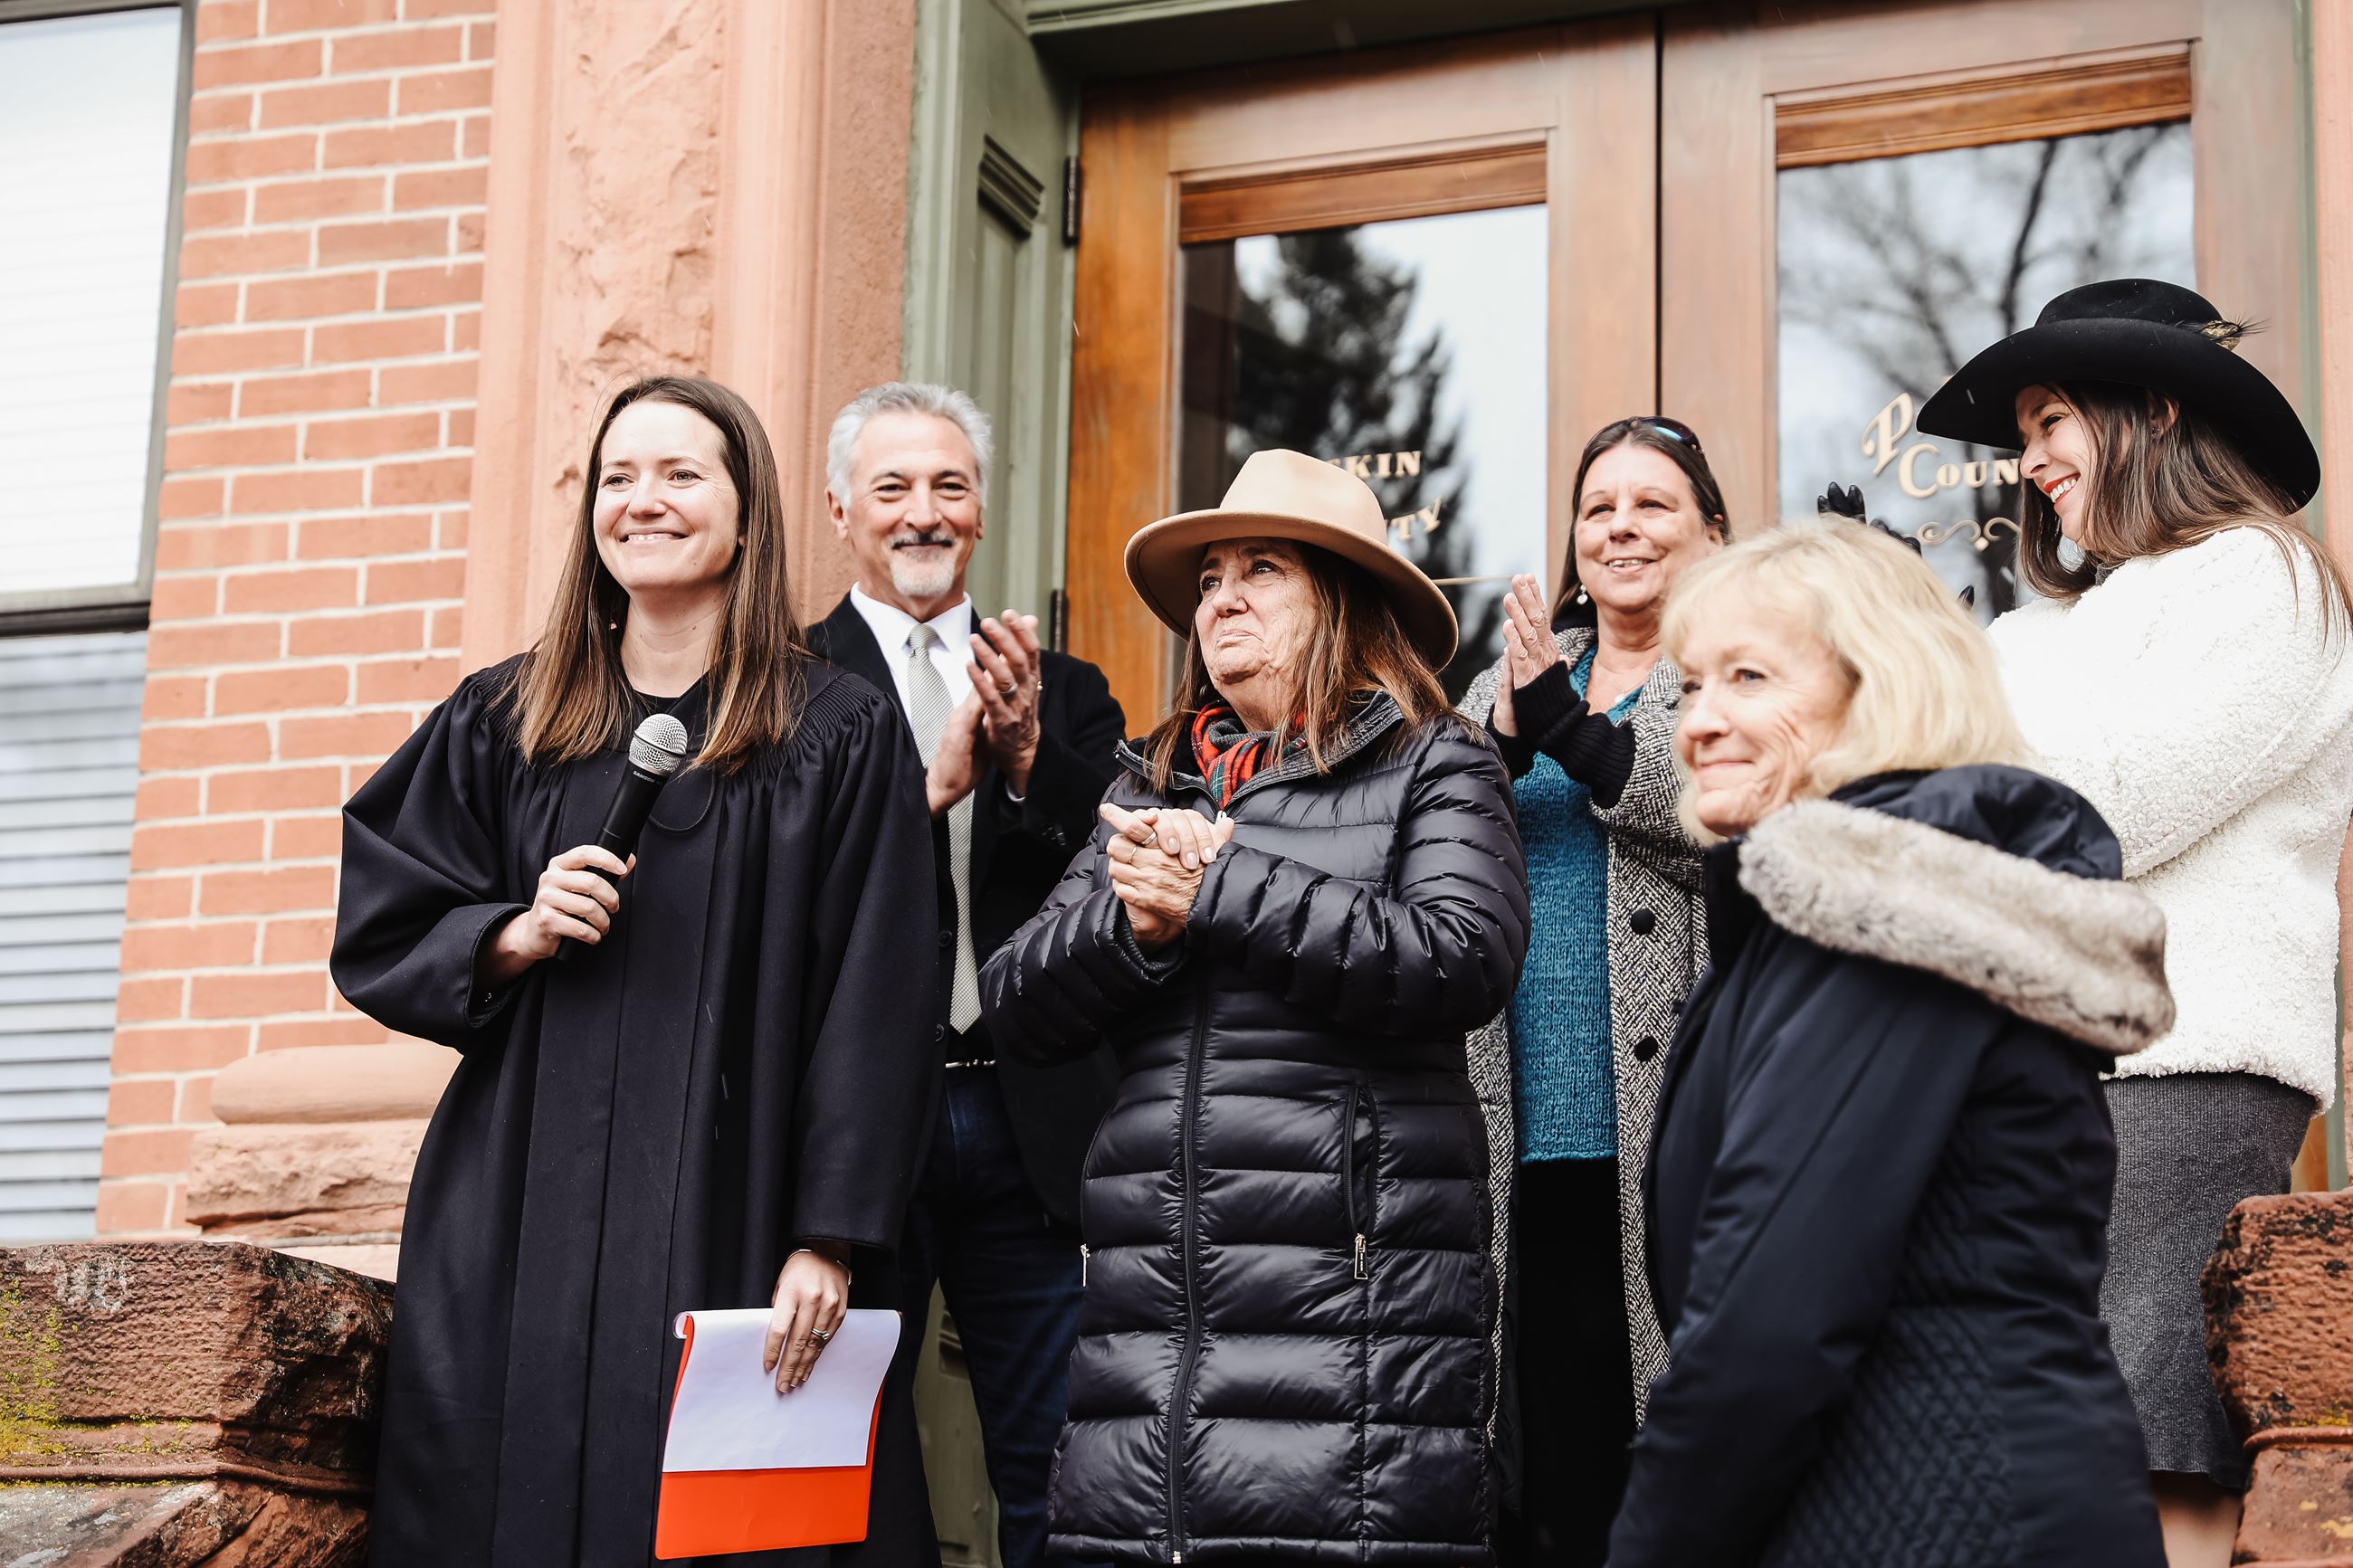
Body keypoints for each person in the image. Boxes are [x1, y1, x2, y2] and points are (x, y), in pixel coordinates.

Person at [333, 375, 942, 1567]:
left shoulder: (836, 730)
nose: (642, 501)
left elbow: (882, 994)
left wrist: (831, 1235)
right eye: (618, 477)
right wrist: (509, 929)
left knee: (726, 1528)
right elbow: (383, 913)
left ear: (748, 513)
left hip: (742, 1203)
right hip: (519, 1212)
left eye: (679, 475)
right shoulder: (505, 717)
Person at [979, 449, 1529, 1564]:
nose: (1219, 594)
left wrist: (1217, 887)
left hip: (1348, 1304)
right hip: (1146, 1318)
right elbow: (1016, 1004)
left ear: (1340, 596)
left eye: (1259, 568)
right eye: (1210, 575)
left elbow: (1462, 956)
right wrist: (1134, 924)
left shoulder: (1439, 760)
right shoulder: (1148, 781)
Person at [1605, 519, 2173, 1568]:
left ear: (1880, 689)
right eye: (1690, 686)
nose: (1698, 723)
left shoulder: (1882, 907)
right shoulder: (1860, 901)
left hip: (1940, 1509)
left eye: (1747, 675)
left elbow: (1768, 1317)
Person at [1917, 279, 2353, 1567]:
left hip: (2187, 1071)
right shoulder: (2063, 626)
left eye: (2055, 420)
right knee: (2049, 1451)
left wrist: (1974, 734)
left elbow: (2095, 814)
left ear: (2155, 409)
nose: (2032, 460)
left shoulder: (2263, 574)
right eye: (2025, 433)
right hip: (2050, 1079)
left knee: (2152, 1441)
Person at [805, 381, 1125, 1568]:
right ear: (843, 508)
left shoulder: (1071, 693)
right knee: (837, 1463)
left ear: (982, 513)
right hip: (851, 1133)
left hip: (1029, 1119)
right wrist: (922, 786)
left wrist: (1033, 755)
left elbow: (1121, 864)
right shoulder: (787, 686)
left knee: (1064, 1471)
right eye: (893, 487)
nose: (924, 512)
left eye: (950, 486)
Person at [1455, 416, 1728, 1564]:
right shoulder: (1503, 676)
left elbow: (1721, 827)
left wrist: (1561, 724)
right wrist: (1510, 735)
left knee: (1660, 1465)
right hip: (1513, 1139)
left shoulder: (1733, 669)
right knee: (1540, 1475)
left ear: (1711, 534)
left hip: (1669, 1143)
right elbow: (1444, 841)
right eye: (1598, 506)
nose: (1619, 525)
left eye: (1651, 503)